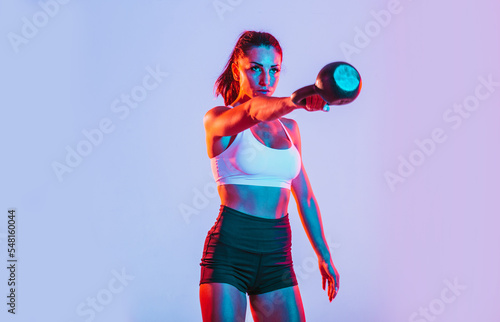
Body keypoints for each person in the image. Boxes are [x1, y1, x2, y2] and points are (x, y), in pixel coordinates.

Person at [199, 30, 340, 322]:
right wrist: (296, 100)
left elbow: (306, 198)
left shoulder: (290, 129)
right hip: (229, 253)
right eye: (255, 69)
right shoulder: (218, 120)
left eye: (274, 69)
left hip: (277, 255)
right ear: (237, 69)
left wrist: (323, 255)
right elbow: (252, 110)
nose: (266, 80)